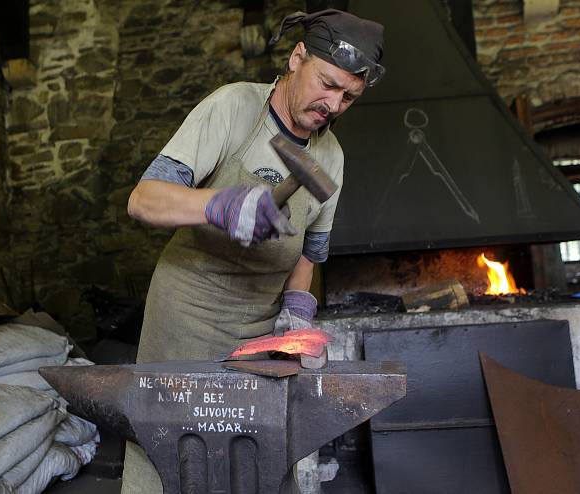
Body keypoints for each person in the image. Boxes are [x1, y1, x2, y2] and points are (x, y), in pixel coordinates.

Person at [123, 9, 385, 494]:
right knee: (173, 452)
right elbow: (144, 200)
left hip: (260, 333)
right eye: (327, 84)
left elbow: (310, 251)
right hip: (187, 315)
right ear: (296, 56)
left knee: (257, 455)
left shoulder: (331, 156)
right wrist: (218, 205)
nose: (334, 104)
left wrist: (297, 313)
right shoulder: (234, 108)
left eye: (349, 96)